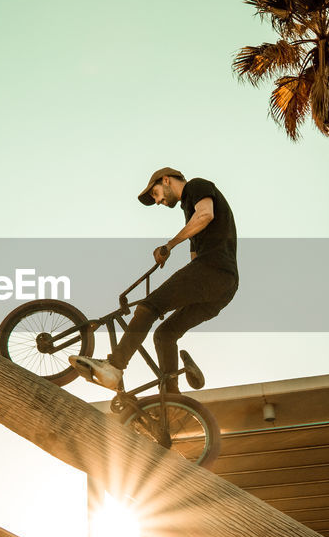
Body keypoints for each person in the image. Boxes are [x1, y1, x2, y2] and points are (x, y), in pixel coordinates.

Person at [71, 167, 238, 404]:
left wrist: (168, 246)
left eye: (156, 194)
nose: (158, 201)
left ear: (166, 180)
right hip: (222, 287)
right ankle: (174, 403)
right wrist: (170, 298)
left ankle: (115, 366)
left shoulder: (197, 187)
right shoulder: (188, 212)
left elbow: (206, 215)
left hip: (214, 270)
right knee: (165, 334)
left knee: (149, 307)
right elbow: (193, 264)